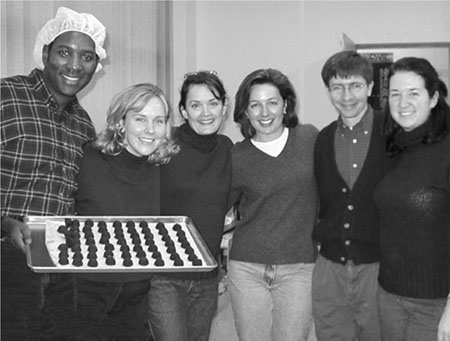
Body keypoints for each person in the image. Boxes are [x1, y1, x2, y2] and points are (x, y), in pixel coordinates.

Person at [1, 7, 106, 339]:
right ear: (45, 53)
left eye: (87, 56)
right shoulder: (6, 97)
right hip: (6, 260)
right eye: (65, 52)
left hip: (61, 268)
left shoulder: (84, 124)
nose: (75, 65)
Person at [73, 82, 179, 340]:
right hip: (84, 293)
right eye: (140, 119)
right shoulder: (88, 157)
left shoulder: (161, 167)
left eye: (159, 120)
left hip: (136, 293)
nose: (150, 130)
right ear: (121, 121)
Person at [228, 68, 318, 341]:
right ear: (245, 111)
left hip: (299, 267)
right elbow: (218, 205)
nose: (264, 112)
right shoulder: (236, 155)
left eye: (272, 102)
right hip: (246, 267)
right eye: (255, 104)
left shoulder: (310, 139)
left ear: (286, 104)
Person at [147, 70, 232, 341]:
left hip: (207, 275)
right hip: (163, 276)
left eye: (213, 103)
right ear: (183, 110)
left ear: (224, 106)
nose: (205, 112)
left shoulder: (228, 149)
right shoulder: (164, 143)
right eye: (195, 105)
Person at [311, 50, 389, 340]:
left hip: (379, 270)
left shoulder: (393, 133)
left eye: (355, 86)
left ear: (370, 87)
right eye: (337, 87)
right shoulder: (322, 139)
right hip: (330, 269)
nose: (347, 96)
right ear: (329, 91)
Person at [373, 57, 450, 341]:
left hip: (436, 302)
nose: (402, 102)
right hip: (389, 294)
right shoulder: (392, 147)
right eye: (395, 94)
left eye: (413, 93)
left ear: (433, 98)